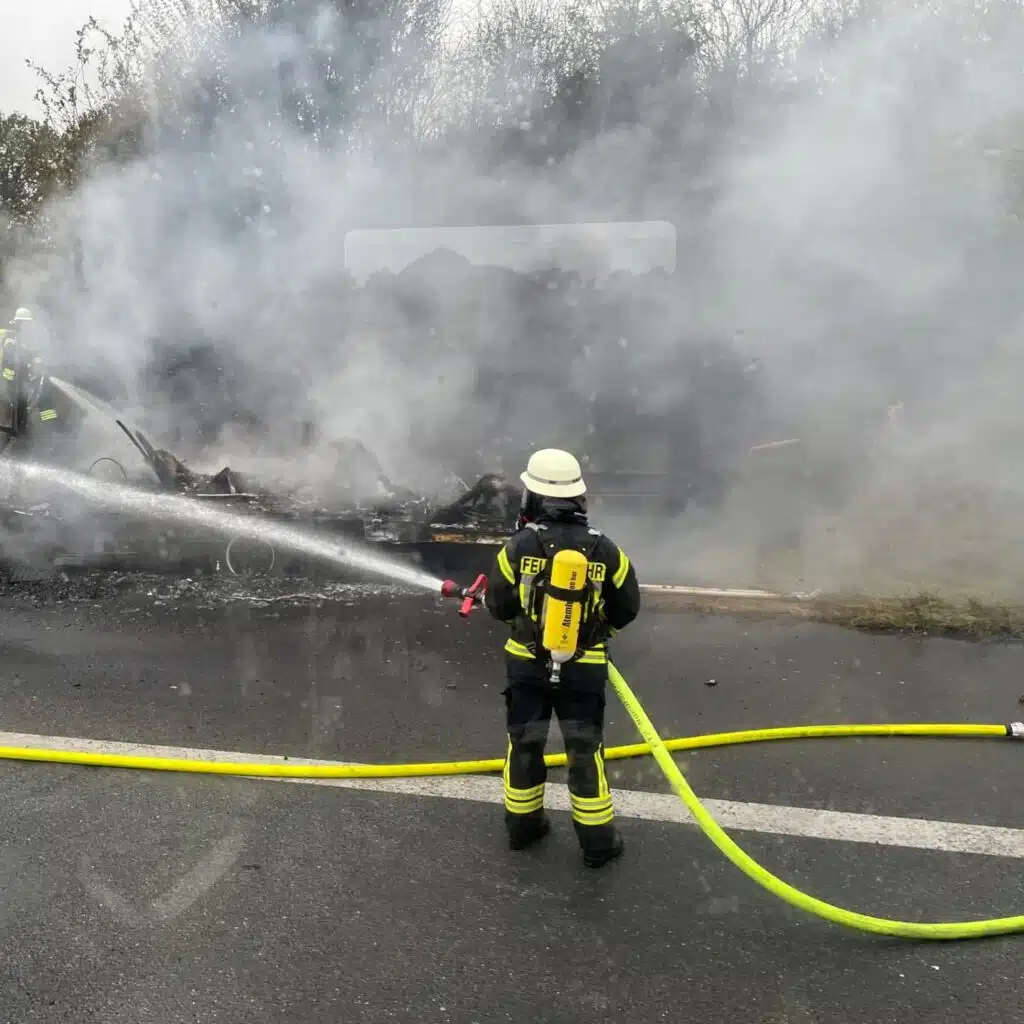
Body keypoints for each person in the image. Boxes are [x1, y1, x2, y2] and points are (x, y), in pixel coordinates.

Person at [484, 447, 641, 868]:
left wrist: (529, 626)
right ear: (578, 498)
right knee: (585, 753)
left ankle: (523, 829)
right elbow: (628, 607)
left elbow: (497, 605)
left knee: (525, 746)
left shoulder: (516, 548)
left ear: (533, 497)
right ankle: (598, 844)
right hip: (583, 671)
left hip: (526, 666)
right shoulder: (606, 550)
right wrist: (595, 634)